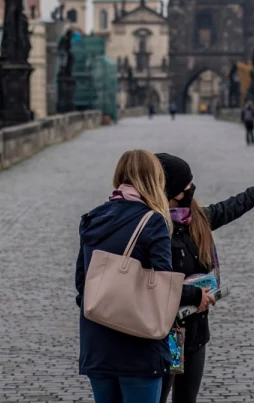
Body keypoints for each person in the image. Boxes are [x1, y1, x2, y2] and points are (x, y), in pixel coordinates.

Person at [155, 152, 254, 403]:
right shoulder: (154, 230)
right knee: (158, 396)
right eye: (187, 185)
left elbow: (228, 209)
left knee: (186, 399)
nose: (192, 188)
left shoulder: (196, 219)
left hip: (196, 331)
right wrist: (191, 294)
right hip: (167, 333)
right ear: (169, 191)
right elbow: (152, 282)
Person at [76, 150, 176, 403]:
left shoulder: (93, 218)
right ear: (155, 180)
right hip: (139, 346)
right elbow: (162, 287)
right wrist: (196, 294)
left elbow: (82, 283)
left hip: (97, 343)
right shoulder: (153, 221)